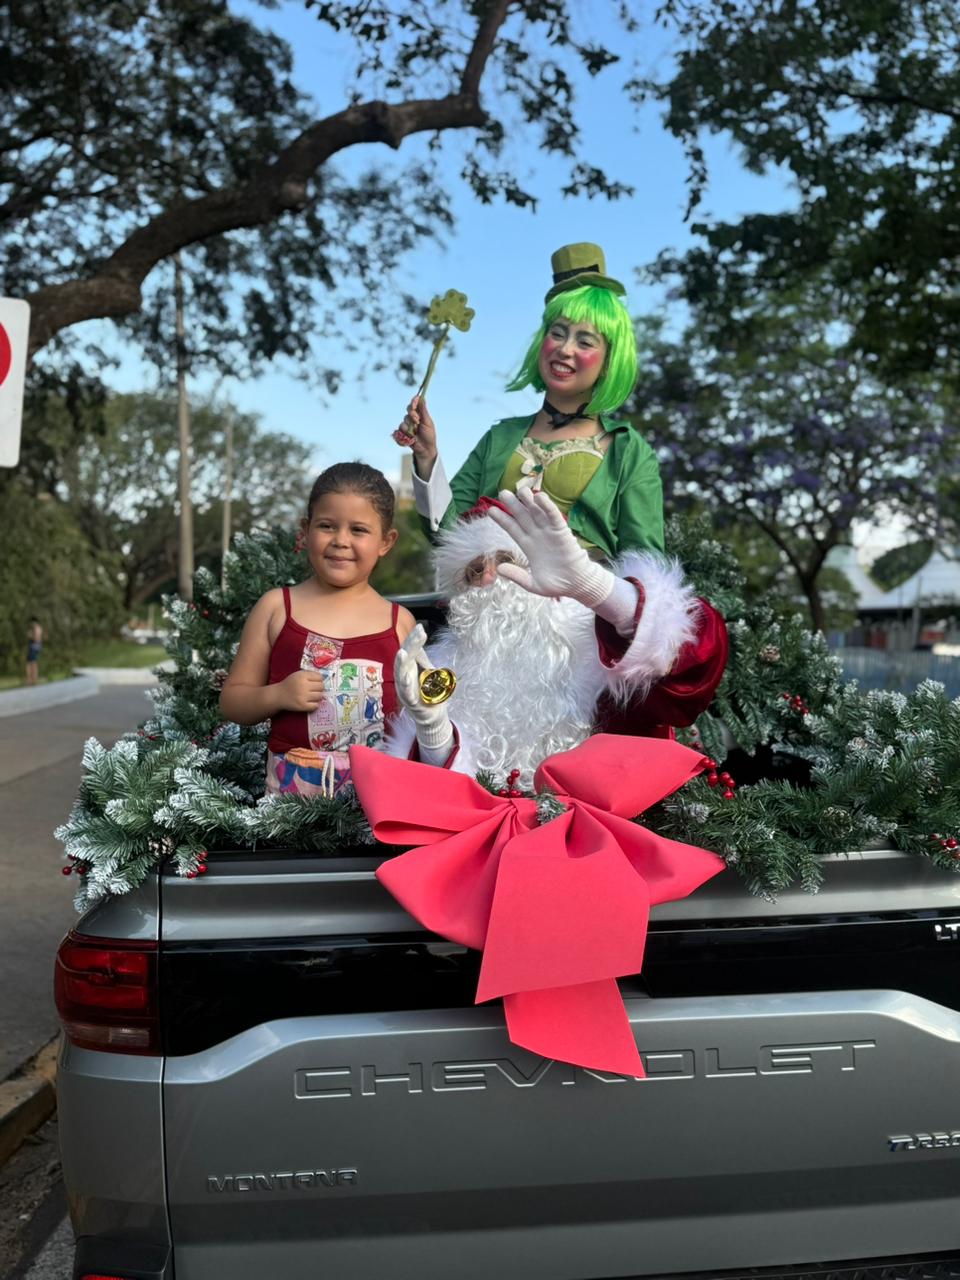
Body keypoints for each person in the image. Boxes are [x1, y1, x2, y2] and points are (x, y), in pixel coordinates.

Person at [389, 487, 728, 783]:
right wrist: (432, 728)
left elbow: (693, 662)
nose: (491, 578)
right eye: (476, 570)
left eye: (506, 560)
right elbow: (438, 790)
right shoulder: (447, 665)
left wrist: (595, 588)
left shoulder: (596, 639)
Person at [394, 242, 663, 559]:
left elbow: (645, 564)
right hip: (493, 589)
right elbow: (448, 536)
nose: (565, 349)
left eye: (585, 341)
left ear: (609, 362)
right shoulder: (500, 437)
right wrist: (426, 456)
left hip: (581, 592)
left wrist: (586, 580)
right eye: (558, 333)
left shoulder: (628, 451)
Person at [219, 462, 416, 797]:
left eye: (358, 530)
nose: (341, 541)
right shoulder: (276, 608)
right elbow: (232, 701)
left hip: (377, 800)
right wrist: (278, 695)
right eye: (327, 526)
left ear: (386, 541)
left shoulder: (400, 623)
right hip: (290, 804)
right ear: (305, 530)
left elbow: (416, 719)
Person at [25, 617, 42, 686]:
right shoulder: (37, 628)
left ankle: (32, 680)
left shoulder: (36, 628)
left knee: (31, 664)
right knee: (32, 663)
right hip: (36, 647)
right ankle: (33, 680)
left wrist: (30, 635)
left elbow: (36, 638)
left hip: (34, 647)